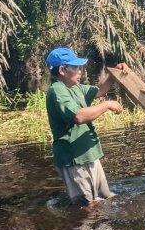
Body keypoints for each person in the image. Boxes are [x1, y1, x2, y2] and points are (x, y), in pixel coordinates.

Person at [45, 47, 131, 206]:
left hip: (88, 154)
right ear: (63, 70)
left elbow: (100, 90)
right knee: (87, 207)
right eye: (76, 67)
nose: (81, 71)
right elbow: (78, 116)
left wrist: (113, 74)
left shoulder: (74, 86)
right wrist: (107, 105)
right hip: (74, 158)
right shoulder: (57, 90)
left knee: (105, 199)